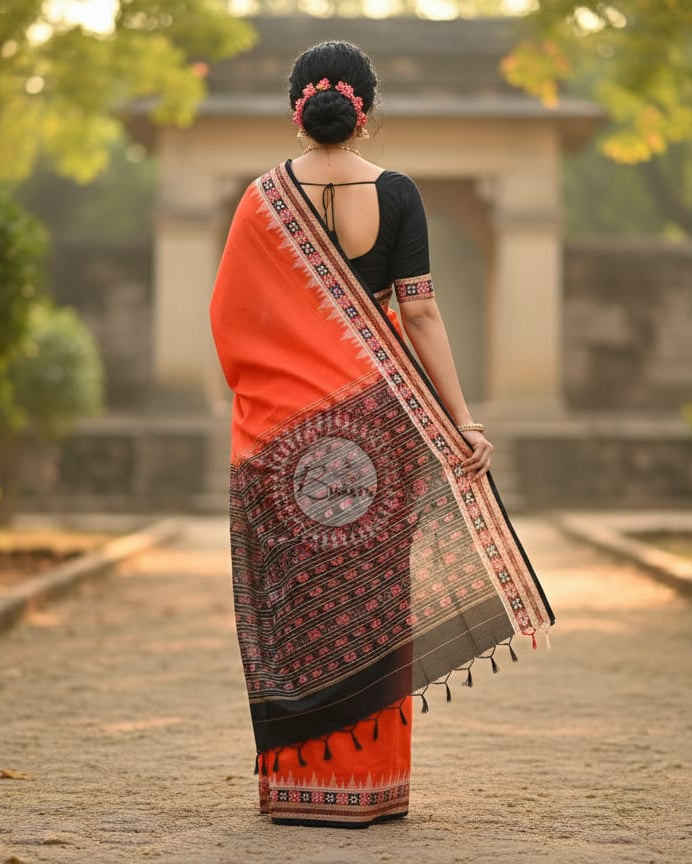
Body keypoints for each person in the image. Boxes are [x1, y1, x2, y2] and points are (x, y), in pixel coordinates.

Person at [210, 40, 554, 829]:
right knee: (373, 600)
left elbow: (231, 321)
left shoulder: (260, 202)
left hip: (286, 435)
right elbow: (422, 313)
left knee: (299, 599)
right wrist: (459, 420)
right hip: (379, 425)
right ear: (368, 108)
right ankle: (369, 786)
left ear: (295, 105)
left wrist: (275, 390)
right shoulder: (398, 193)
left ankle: (300, 787)